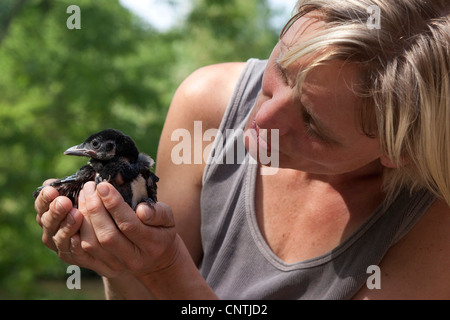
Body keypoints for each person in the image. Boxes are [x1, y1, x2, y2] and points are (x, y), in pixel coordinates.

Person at [35, 0, 450, 299]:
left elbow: (158, 278)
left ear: (401, 150)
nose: (258, 124)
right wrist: (117, 259)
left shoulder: (435, 226)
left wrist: (163, 269)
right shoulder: (208, 107)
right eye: (282, 70)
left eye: (312, 124)